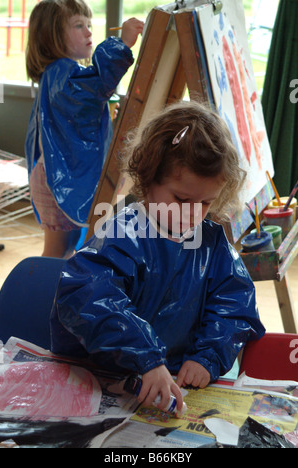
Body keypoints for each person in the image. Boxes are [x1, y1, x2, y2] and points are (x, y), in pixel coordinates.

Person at [50, 100, 266, 413]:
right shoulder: (123, 234)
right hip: (102, 380)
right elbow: (86, 295)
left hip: (172, 381)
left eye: (205, 202)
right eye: (182, 198)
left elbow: (234, 305)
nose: (193, 214)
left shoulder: (212, 242)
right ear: (148, 180)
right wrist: (146, 358)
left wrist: (207, 356)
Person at [25, 0, 144, 258]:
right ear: (51, 37)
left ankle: (56, 294)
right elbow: (95, 85)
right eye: (79, 25)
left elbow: (84, 105)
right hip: (55, 178)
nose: (89, 31)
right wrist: (120, 44)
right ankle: (43, 296)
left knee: (66, 249)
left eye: (89, 24)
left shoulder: (63, 72)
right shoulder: (61, 71)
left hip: (58, 174)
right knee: (56, 252)